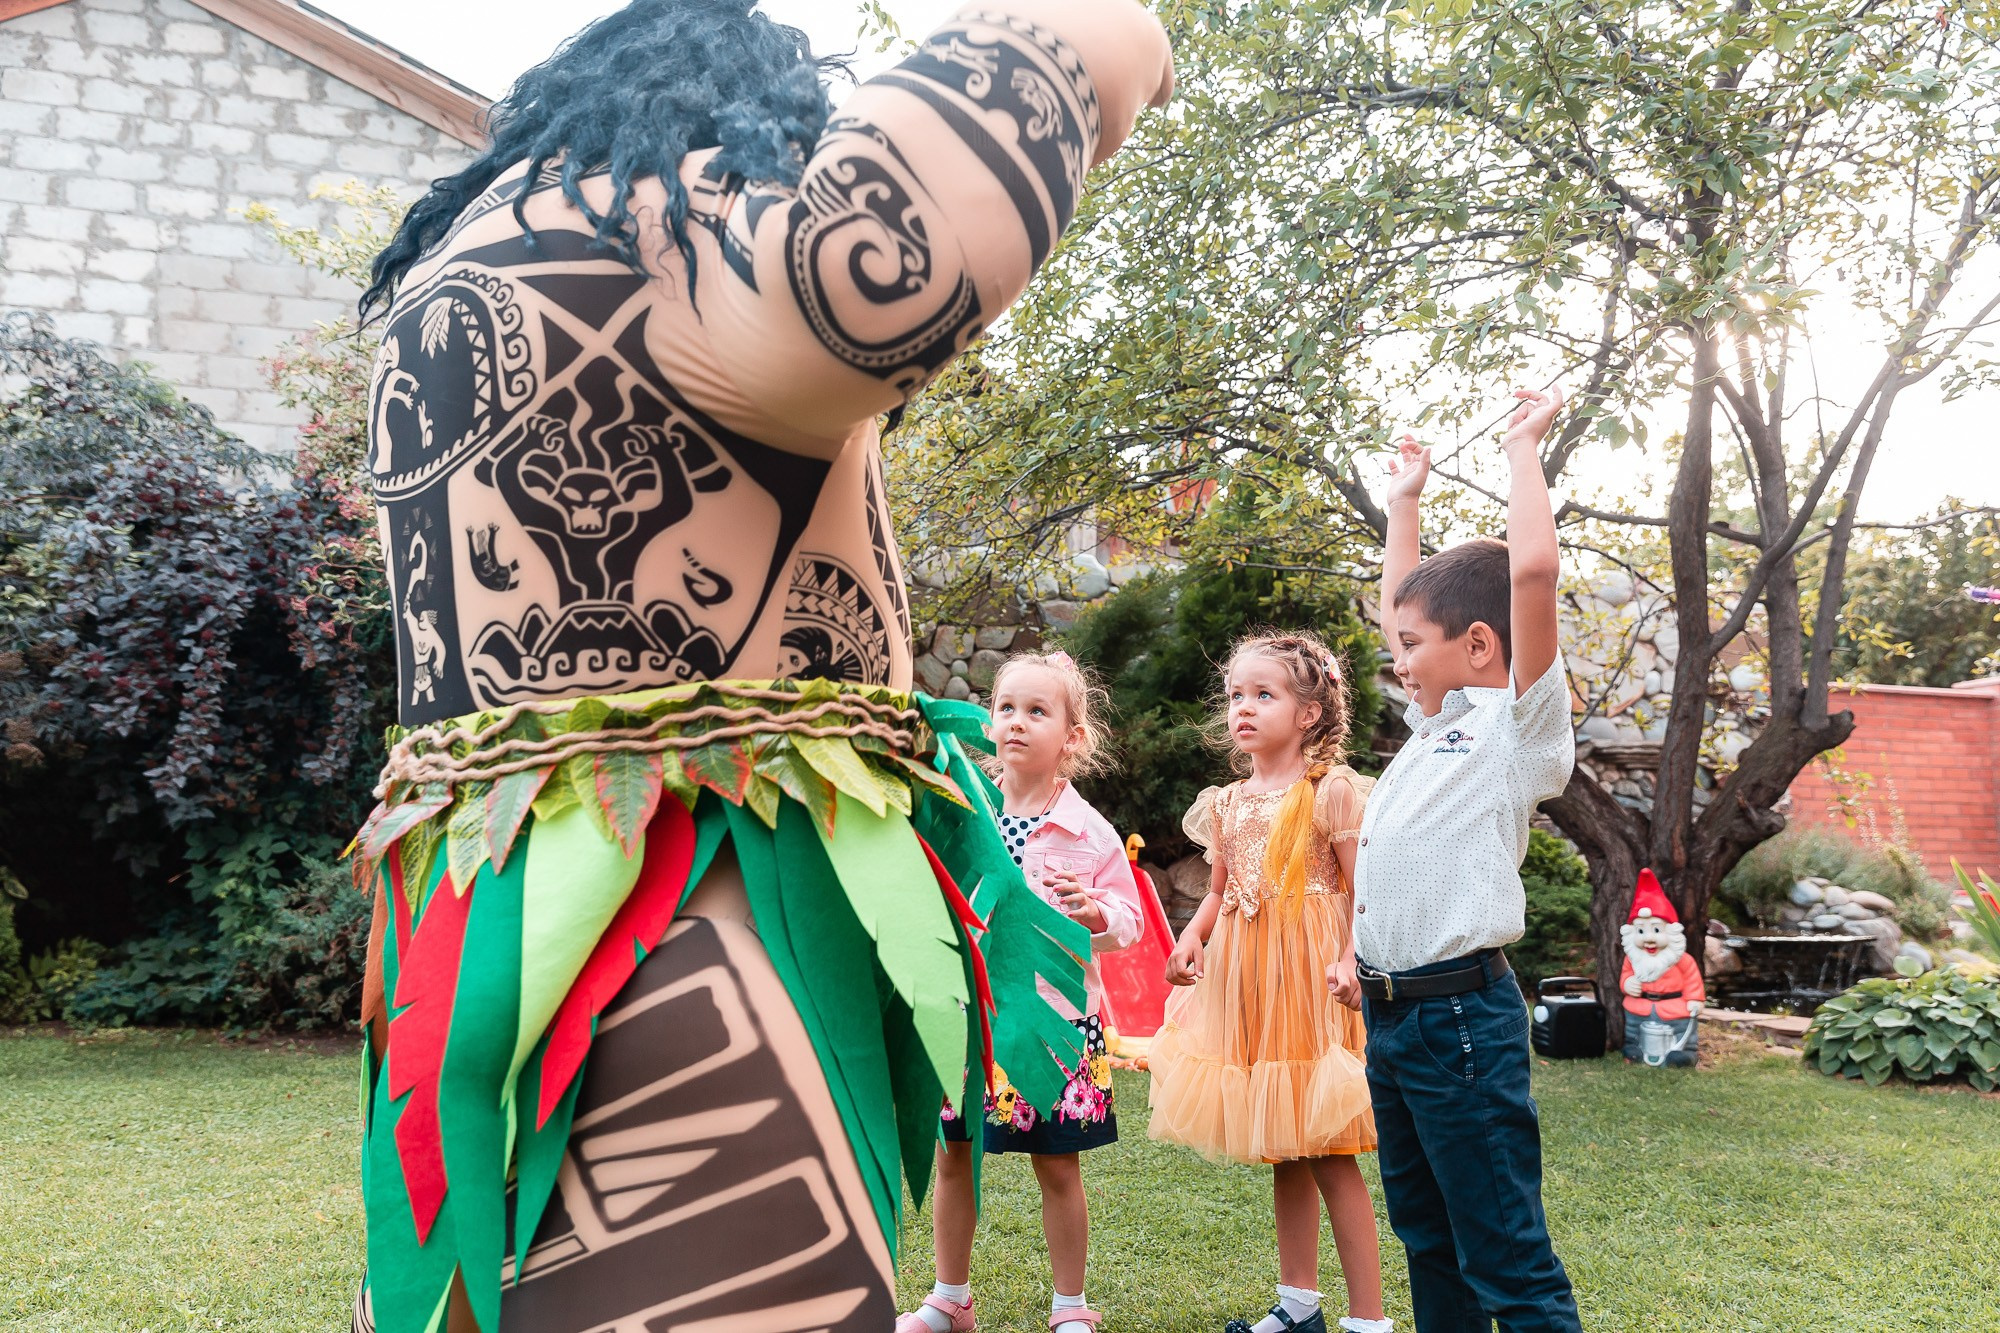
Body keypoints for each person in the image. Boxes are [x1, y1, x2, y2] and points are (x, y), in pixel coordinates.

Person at [346, 3, 1175, 1330]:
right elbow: (938, 198)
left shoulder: (455, 267)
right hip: (693, 931)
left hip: (479, 928)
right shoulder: (679, 233)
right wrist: (1131, 39)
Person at [1355, 388, 1582, 1332]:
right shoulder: (1439, 723)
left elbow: (1532, 572)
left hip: (1457, 1021)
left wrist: (1523, 448)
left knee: (1502, 1252)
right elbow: (1403, 610)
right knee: (1428, 1236)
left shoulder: (1516, 729)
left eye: (1412, 647)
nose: (1398, 658)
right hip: (1392, 1016)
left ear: (1480, 645)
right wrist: (1404, 503)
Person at [1149, 631, 1390, 1333]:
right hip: (1251, 979)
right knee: (1285, 1143)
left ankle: (1369, 1319)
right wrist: (1191, 936)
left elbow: (1362, 889)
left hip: (1312, 982)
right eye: (1235, 696)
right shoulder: (1227, 802)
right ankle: (1298, 1305)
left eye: (1263, 694)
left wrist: (1351, 958)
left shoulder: (1330, 791)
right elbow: (1219, 892)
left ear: (1309, 713)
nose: (1243, 708)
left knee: (1328, 1150)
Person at [902, 651, 1144, 1333]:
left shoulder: (1088, 830)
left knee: (1057, 1166)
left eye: (1038, 711)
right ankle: (950, 1297)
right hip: (967, 1015)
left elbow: (1128, 922)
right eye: (1006, 707)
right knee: (953, 1155)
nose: (1017, 721)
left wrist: (1095, 913)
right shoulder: (962, 808)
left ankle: (1070, 1307)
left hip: (1052, 1023)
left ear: (1072, 736)